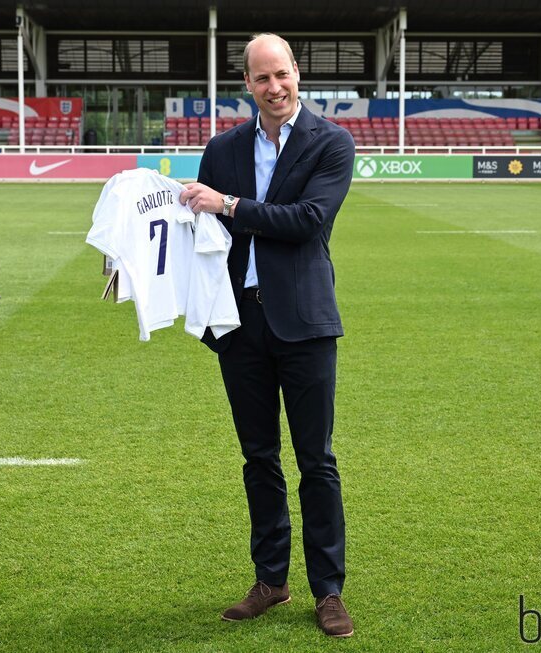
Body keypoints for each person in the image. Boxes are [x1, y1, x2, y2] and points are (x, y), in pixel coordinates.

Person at [179, 33, 356, 638]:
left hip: (305, 323)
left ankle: (328, 591)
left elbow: (308, 223)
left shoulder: (331, 142)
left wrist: (227, 203)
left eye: (281, 75)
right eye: (261, 79)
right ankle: (271, 581)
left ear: (297, 74)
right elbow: (198, 236)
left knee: (317, 462)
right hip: (239, 323)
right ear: (247, 85)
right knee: (259, 458)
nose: (274, 88)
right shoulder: (221, 147)